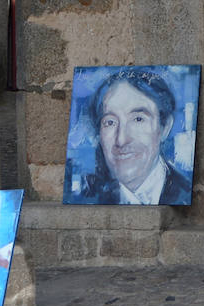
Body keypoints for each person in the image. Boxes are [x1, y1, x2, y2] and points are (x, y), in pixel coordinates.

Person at [78, 68, 193, 205]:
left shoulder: (187, 194)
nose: (121, 140)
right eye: (110, 122)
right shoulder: (87, 198)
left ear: (164, 127)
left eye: (138, 119)